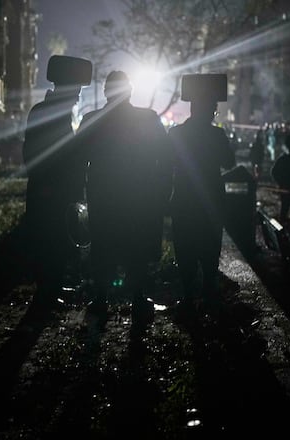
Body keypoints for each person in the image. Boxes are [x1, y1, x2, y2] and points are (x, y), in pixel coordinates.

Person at [75, 71, 171, 321]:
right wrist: (162, 189)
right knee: (137, 245)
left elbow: (77, 159)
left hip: (104, 195)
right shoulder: (148, 118)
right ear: (129, 92)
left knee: (103, 245)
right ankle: (138, 296)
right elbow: (166, 157)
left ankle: (101, 297)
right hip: (139, 195)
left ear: (107, 92)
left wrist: (78, 192)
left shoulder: (91, 119)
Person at [22, 55, 91, 313]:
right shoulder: (52, 114)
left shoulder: (44, 111)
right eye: (76, 91)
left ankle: (49, 289)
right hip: (49, 192)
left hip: (47, 190)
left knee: (52, 241)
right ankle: (46, 294)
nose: (77, 97)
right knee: (50, 242)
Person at [167, 74, 236, 311]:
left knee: (185, 248)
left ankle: (187, 296)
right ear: (210, 110)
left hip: (184, 199)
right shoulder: (217, 135)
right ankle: (209, 292)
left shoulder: (176, 133)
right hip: (211, 201)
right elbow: (229, 162)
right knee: (209, 249)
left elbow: (167, 164)